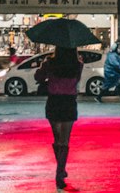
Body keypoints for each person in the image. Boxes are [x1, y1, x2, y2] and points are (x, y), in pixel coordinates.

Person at [34, 46, 83, 189]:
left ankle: (60, 169)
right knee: (65, 140)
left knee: (57, 139)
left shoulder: (50, 63)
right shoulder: (78, 65)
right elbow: (77, 80)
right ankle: (60, 171)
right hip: (68, 102)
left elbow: (38, 77)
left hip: (54, 101)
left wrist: (43, 66)